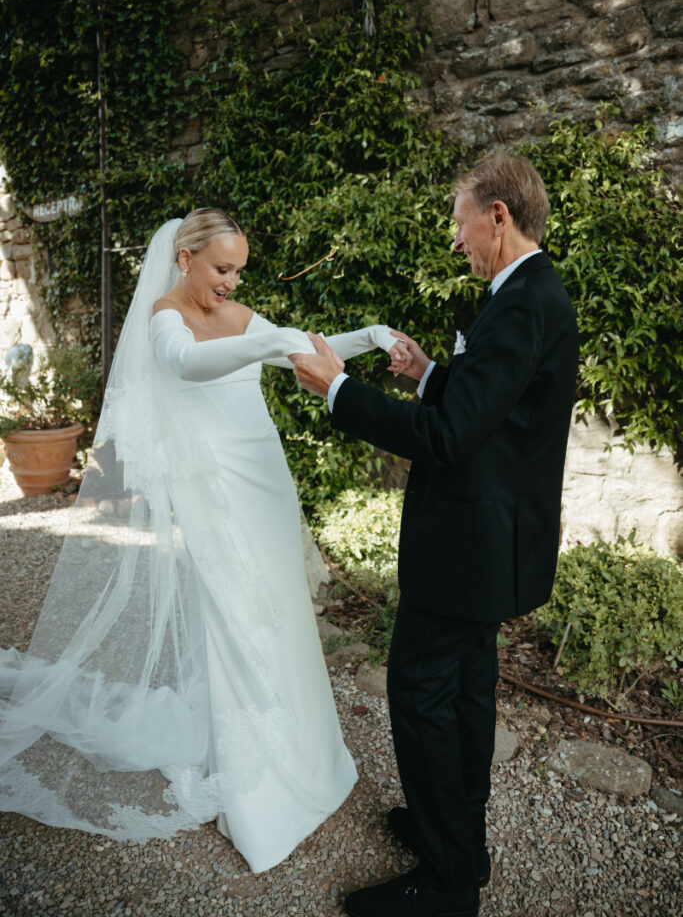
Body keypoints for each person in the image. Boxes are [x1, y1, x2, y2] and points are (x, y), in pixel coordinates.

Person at [0, 207, 403, 874]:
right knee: (237, 619)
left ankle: (309, 753)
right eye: (222, 268)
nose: (231, 283)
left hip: (267, 485)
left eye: (239, 271)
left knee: (281, 616)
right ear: (184, 258)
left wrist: (372, 333)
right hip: (218, 495)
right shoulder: (164, 315)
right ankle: (258, 787)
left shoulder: (242, 318)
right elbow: (185, 364)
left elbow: (305, 344)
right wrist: (266, 345)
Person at [293, 153, 579, 917]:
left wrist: (340, 391)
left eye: (460, 222)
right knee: (463, 691)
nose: (455, 240)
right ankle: (448, 829)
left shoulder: (520, 302)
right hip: (487, 545)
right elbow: (495, 409)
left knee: (419, 692)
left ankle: (449, 882)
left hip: (467, 551)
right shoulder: (527, 294)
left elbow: (451, 438)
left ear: (497, 216)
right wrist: (426, 373)